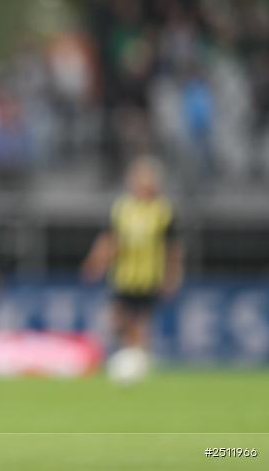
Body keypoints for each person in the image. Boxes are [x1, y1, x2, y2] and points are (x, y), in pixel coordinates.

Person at [82, 156, 184, 379]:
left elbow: (172, 249)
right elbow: (110, 239)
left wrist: (172, 276)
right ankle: (134, 359)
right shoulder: (122, 208)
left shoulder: (162, 211)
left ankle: (139, 363)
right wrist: (97, 262)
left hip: (149, 276)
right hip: (124, 276)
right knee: (118, 320)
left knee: (142, 323)